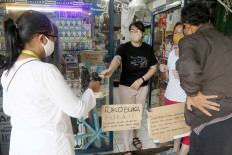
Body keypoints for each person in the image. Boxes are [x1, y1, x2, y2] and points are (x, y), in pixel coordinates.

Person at [1, 10, 100, 155]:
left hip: (21, 146)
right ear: (41, 38)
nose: (54, 41)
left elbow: (8, 110)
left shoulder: (8, 72)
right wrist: (91, 89)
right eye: (53, 37)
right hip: (49, 147)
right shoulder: (45, 71)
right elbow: (77, 109)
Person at [176, 2, 232, 155]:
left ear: (187, 26)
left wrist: (193, 93)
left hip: (209, 120)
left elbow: (188, 67)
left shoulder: (190, 40)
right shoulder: (228, 39)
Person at [100, 21, 157, 155]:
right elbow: (117, 59)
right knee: (127, 115)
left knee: (138, 114)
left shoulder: (148, 48)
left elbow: (153, 68)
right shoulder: (124, 47)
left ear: (143, 34)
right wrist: (111, 69)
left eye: (136, 31)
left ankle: (134, 136)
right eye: (131, 30)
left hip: (142, 86)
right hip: (126, 86)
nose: (133, 33)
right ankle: (126, 146)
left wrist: (141, 79)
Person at [159, 22, 189, 155]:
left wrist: (183, 76)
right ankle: (175, 149)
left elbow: (200, 79)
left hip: (186, 97)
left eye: (180, 32)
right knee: (175, 126)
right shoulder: (171, 53)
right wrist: (164, 70)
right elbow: (169, 77)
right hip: (170, 95)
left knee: (187, 128)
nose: (178, 35)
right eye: (175, 33)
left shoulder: (192, 54)